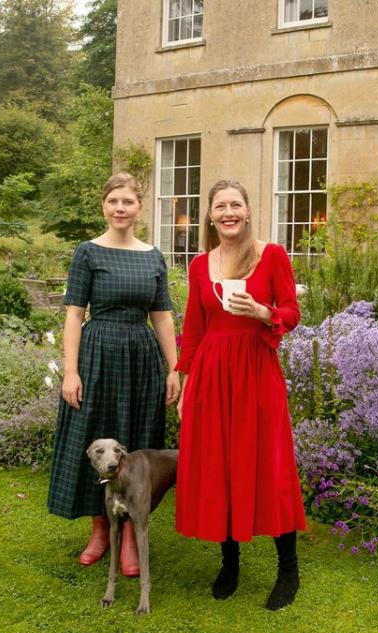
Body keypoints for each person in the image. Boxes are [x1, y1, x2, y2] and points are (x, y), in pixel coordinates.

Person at [174, 179, 307, 610]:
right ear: (210, 216)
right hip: (212, 375)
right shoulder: (199, 266)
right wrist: (185, 381)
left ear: (248, 211)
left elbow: (292, 311)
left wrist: (264, 312)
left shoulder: (272, 255)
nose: (228, 212)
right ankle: (229, 563)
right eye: (220, 206)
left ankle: (288, 569)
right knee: (221, 466)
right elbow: (193, 330)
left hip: (256, 371)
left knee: (269, 464)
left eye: (235, 205)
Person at [48, 173, 180, 576]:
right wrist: (71, 371)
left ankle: (130, 538)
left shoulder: (152, 256)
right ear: (104, 206)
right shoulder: (88, 253)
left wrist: (175, 369)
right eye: (113, 201)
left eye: (127, 201)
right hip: (97, 356)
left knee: (137, 447)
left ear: (139, 207)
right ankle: (100, 531)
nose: (120, 208)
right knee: (97, 439)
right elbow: (73, 314)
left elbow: (162, 317)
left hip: (141, 361)